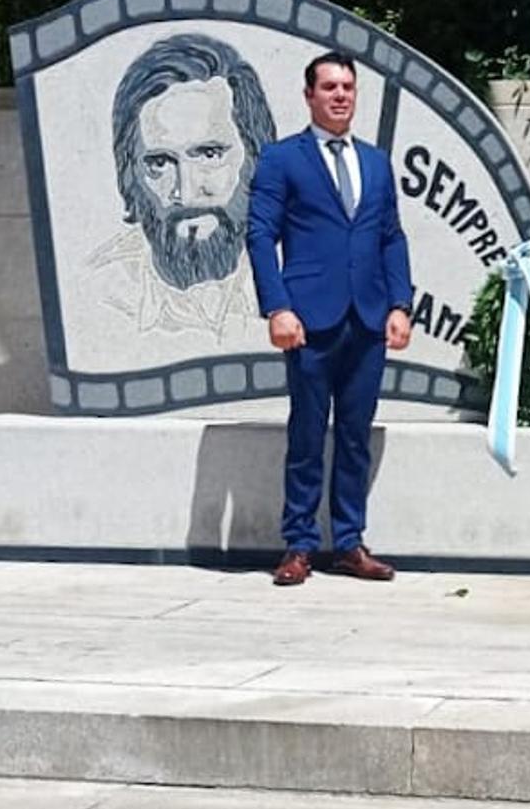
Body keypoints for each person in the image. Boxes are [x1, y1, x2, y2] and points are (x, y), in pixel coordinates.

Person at [247, 51, 413, 587]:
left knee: (356, 436)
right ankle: (298, 544)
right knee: (307, 433)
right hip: (309, 320)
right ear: (309, 95)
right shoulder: (281, 159)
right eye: (329, 87)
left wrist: (400, 304)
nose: (340, 95)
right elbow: (259, 236)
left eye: (347, 87)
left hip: (367, 319)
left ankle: (348, 543)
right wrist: (277, 307)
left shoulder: (375, 162)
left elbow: (391, 236)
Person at [89, 33, 276, 337]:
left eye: (210, 154)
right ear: (129, 174)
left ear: (257, 156)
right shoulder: (99, 295)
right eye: (160, 163)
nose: (186, 192)